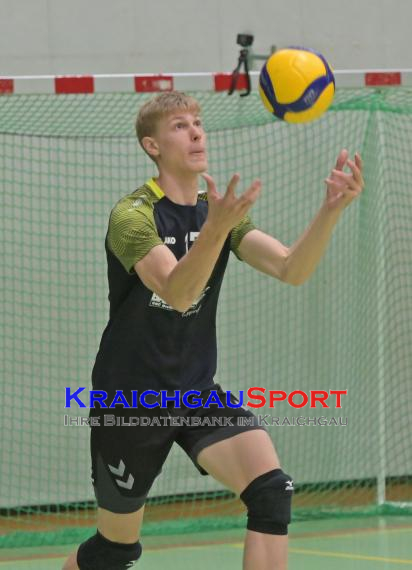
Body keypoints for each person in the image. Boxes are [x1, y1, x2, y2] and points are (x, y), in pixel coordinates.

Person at [63, 91, 364, 570]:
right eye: (180, 125)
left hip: (196, 391)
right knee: (115, 550)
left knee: (271, 492)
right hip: (132, 400)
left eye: (198, 121)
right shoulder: (133, 215)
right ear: (152, 146)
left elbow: (291, 268)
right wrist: (215, 230)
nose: (197, 131)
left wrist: (331, 209)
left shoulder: (218, 212)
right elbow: (178, 292)